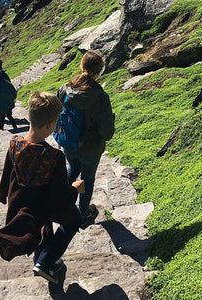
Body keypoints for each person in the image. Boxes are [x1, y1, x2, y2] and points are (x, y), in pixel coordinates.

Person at [0, 91, 85, 284]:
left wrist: (4, 196)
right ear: (51, 125)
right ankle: (44, 261)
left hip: (23, 206)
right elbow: (60, 197)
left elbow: (7, 173)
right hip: (44, 207)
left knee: (40, 227)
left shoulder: (15, 143)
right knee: (74, 221)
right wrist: (75, 189)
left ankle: (42, 258)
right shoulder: (54, 157)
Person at [56, 50, 115, 229]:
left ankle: (60, 203)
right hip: (91, 148)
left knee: (72, 168)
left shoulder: (65, 88)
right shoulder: (100, 97)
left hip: (69, 142)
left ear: (82, 65)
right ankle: (82, 215)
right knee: (87, 179)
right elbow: (107, 133)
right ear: (100, 70)